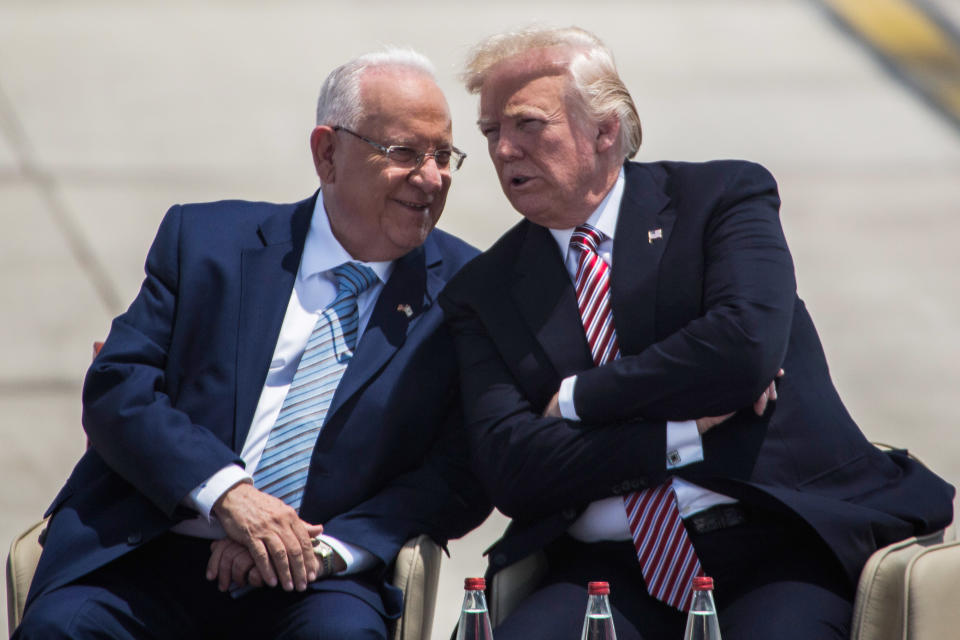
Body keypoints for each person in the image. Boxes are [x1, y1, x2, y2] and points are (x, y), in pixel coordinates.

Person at [439, 26, 954, 639]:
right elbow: (514, 468)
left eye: (527, 125)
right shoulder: (484, 290)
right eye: (491, 132)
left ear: (605, 130)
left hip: (777, 546)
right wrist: (681, 428)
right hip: (607, 570)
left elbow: (742, 350)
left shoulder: (720, 199)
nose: (503, 151)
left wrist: (579, 400)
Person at [15, 49, 490, 639]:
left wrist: (318, 551)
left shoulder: (468, 295)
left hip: (315, 577)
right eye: (404, 154)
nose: (431, 177)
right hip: (151, 548)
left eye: (444, 156)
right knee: (63, 630)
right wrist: (228, 496)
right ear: (327, 153)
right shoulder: (209, 243)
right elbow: (120, 387)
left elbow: (458, 472)